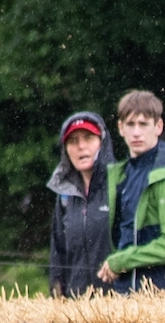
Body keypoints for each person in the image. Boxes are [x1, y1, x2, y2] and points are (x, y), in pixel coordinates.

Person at [97, 90, 165, 294]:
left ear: (158, 126)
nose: (136, 132)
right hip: (129, 294)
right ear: (120, 128)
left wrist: (121, 261)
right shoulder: (120, 177)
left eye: (143, 124)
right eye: (130, 124)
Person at [47, 111, 115, 297]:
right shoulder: (65, 196)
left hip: (119, 303)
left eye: (88, 137)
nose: (81, 146)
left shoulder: (120, 185)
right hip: (76, 304)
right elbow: (58, 251)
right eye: (73, 141)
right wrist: (56, 293)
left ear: (102, 142)